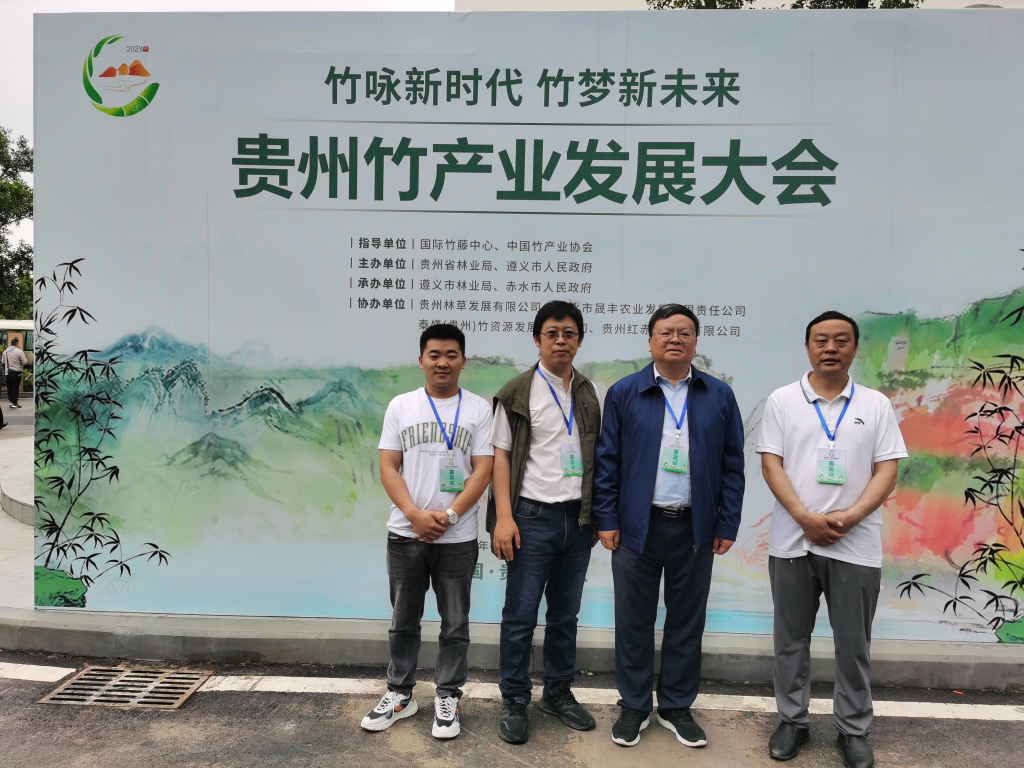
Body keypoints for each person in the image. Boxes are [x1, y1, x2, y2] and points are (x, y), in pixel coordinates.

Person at [755, 310, 907, 768]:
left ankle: (853, 729)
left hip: (855, 544)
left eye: (841, 340)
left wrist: (853, 516)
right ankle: (792, 721)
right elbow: (771, 464)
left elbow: (887, 470)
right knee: (790, 639)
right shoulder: (783, 400)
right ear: (807, 347)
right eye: (821, 340)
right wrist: (804, 517)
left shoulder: (875, 405)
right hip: (793, 541)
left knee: (853, 643)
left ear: (855, 348)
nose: (830, 348)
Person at [594, 304, 745, 749]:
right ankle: (634, 705)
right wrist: (607, 518)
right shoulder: (625, 392)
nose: (675, 339)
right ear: (650, 341)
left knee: (686, 621)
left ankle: (676, 706)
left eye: (684, 332)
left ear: (696, 342)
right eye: (666, 332)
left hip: (695, 529)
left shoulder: (719, 395)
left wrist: (726, 522)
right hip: (636, 528)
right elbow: (607, 460)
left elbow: (732, 465)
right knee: (633, 621)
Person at [360, 323, 494, 740]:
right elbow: (388, 466)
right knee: (403, 620)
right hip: (406, 533)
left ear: (463, 361)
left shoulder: (479, 409)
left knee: (455, 623)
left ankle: (448, 696)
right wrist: (414, 514)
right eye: (434, 354)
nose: (442, 362)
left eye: (451, 355)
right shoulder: (401, 406)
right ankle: (401, 694)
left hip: (457, 537)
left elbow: (483, 471)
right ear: (421, 360)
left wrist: (449, 516)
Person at [488, 301, 602, 745]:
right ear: (537, 339)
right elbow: (500, 456)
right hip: (531, 518)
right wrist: (504, 517)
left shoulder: (589, 392)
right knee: (520, 615)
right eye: (552, 333)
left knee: (565, 615)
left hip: (578, 519)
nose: (560, 341)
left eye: (569, 333)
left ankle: (557, 693)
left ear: (580, 340)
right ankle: (515, 699)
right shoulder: (518, 392)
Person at [3, 339, 28, 409]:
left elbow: (3, 362)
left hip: (7, 372)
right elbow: (24, 362)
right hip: (16, 372)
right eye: (19, 343)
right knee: (15, 388)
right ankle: (14, 402)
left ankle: (10, 402)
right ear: (17, 343)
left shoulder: (5, 352)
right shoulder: (19, 351)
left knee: (9, 388)